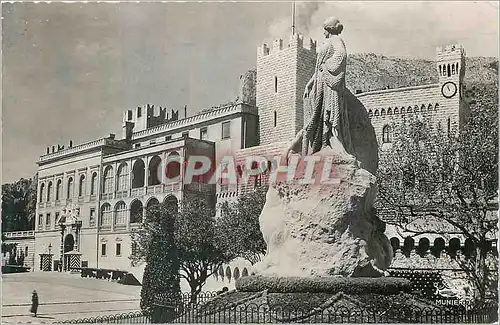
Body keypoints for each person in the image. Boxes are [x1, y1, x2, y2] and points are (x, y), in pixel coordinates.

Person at [299, 16, 352, 158]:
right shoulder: (329, 41)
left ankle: (334, 141)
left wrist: (326, 66)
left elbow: (341, 55)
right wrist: (310, 84)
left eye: (324, 29)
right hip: (321, 83)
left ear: (329, 29)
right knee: (319, 113)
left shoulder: (336, 40)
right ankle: (321, 143)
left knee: (330, 113)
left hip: (329, 84)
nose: (323, 32)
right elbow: (317, 69)